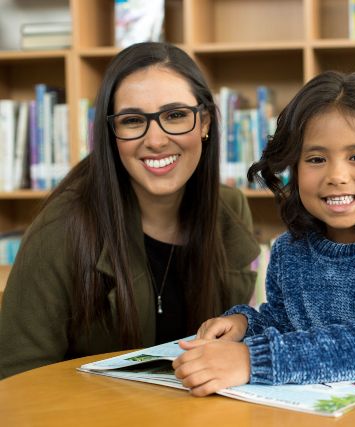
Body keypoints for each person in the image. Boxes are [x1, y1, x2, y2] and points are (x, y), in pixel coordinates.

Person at [173, 70, 355, 397]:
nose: (336, 175)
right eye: (316, 159)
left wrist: (252, 359)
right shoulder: (288, 251)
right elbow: (284, 323)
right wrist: (247, 326)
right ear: (294, 168)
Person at [0, 42, 260, 379]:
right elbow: (16, 380)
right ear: (112, 133)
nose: (155, 140)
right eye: (133, 120)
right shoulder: (62, 228)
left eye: (176, 115)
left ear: (205, 122)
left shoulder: (229, 211)